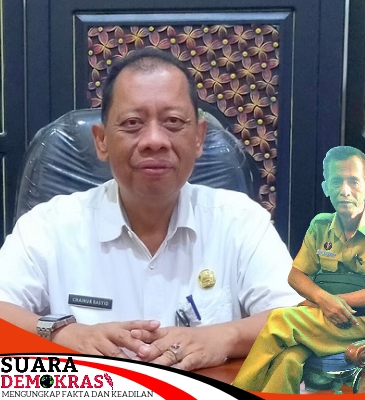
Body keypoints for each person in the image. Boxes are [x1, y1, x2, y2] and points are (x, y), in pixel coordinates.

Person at [0, 48, 302, 371]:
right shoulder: (47, 227)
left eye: (173, 122)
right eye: (133, 123)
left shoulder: (240, 220)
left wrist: (222, 337)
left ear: (199, 138)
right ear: (101, 141)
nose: (154, 140)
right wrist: (61, 333)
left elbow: (299, 319)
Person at [232, 146, 365, 393]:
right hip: (323, 318)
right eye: (337, 182)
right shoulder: (320, 226)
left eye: (353, 182)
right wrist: (324, 301)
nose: (345, 191)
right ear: (326, 187)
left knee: (279, 320)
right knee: (289, 359)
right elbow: (295, 276)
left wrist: (327, 303)